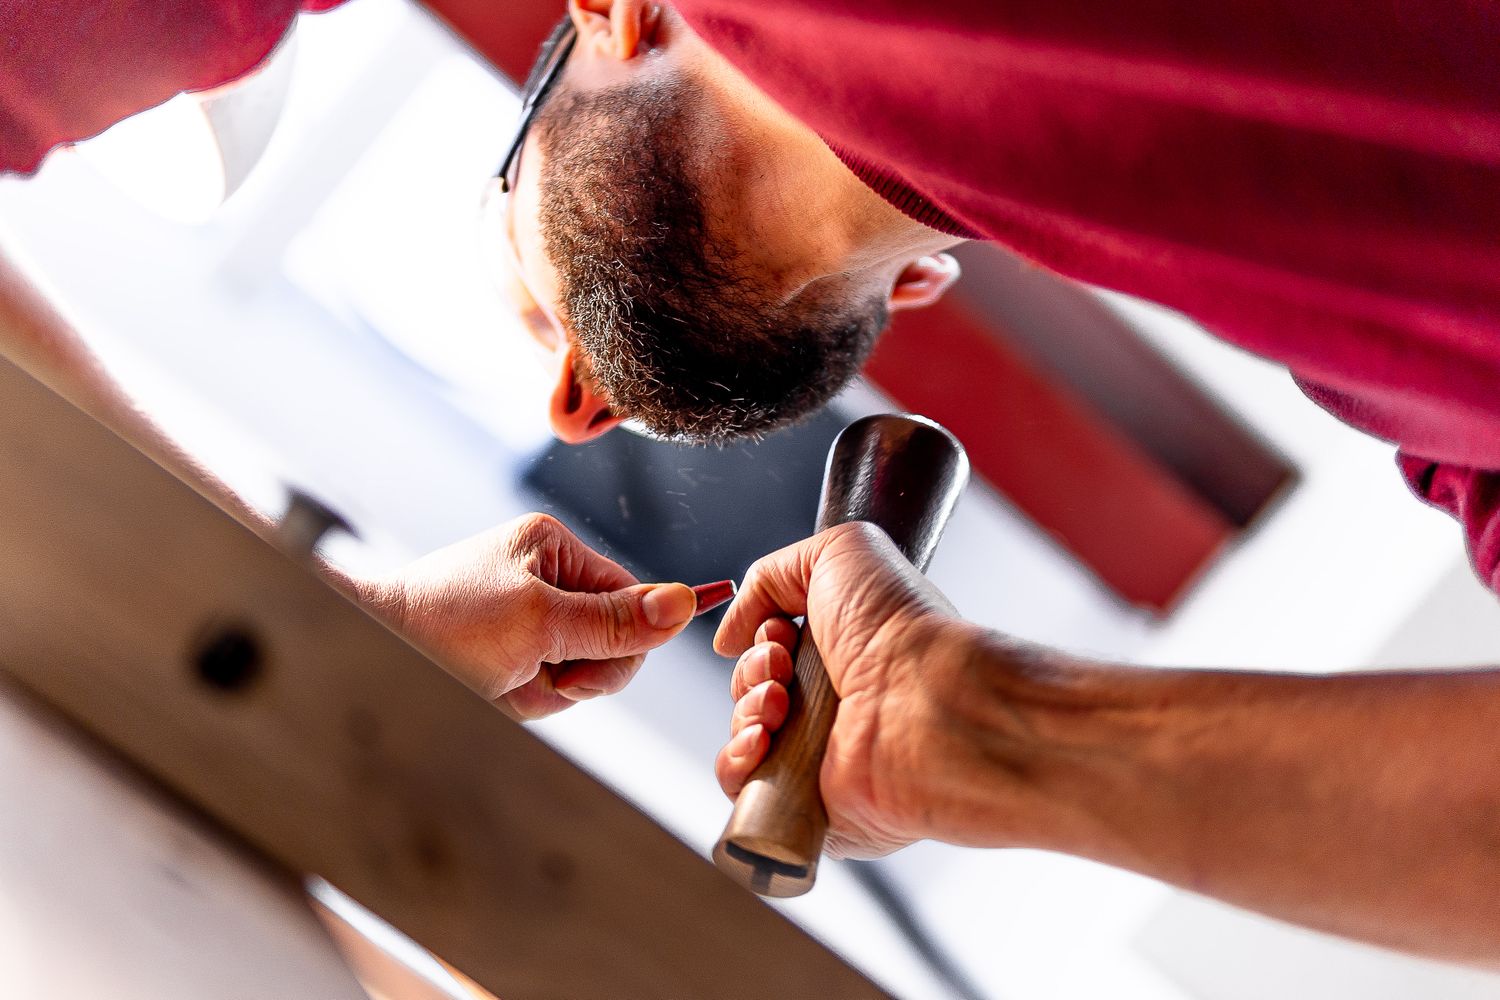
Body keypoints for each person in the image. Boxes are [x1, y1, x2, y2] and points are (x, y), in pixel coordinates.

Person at [487, 0, 1500, 967]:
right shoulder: (1422, 389)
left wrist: (357, 622)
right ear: (918, 282)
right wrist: (982, 729)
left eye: (526, 292)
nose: (568, 410)